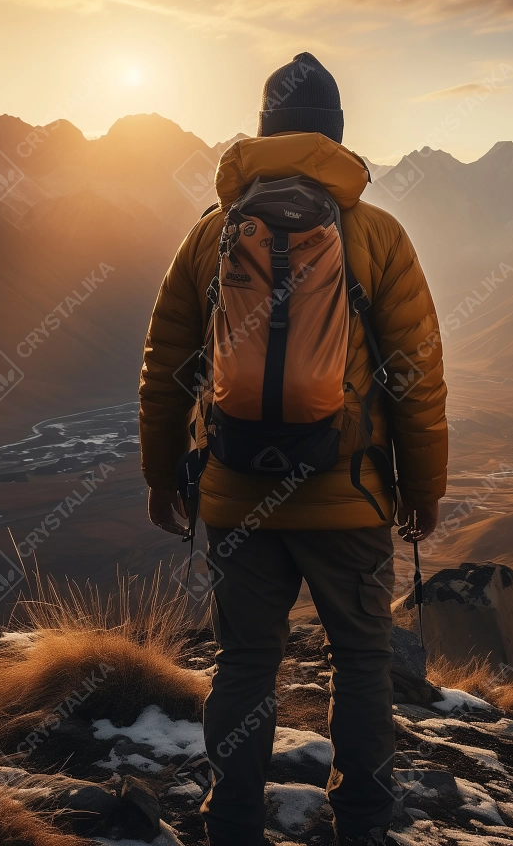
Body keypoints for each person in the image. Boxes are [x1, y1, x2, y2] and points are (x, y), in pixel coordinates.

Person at [138, 51, 448, 846]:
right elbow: (416, 378)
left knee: (245, 662)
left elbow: (166, 366)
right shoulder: (376, 234)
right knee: (363, 663)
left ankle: (233, 821)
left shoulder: (210, 235)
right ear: (336, 136)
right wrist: (422, 489)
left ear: (265, 131)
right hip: (349, 495)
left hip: (238, 491)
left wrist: (159, 476)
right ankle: (363, 826)